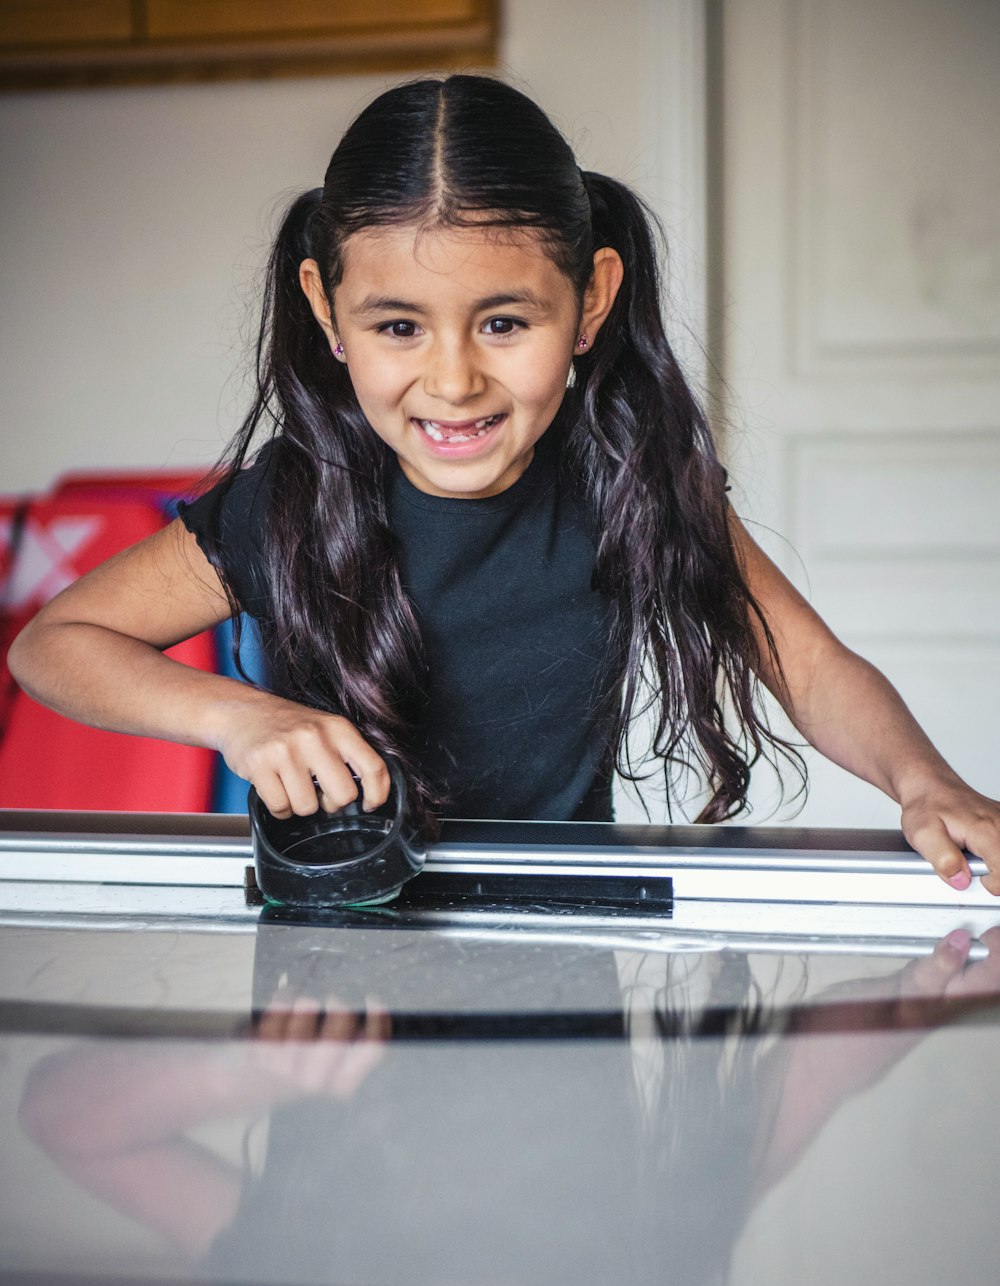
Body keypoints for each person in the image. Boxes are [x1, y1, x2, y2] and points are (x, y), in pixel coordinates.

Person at [7, 74, 1000, 891]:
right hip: (333, 974)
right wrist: (239, 717)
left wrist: (922, 780)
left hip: (567, 957)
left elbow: (813, 669)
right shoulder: (290, 501)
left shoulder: (634, 486)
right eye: (399, 327)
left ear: (591, 301)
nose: (452, 380)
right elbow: (55, 645)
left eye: (503, 322)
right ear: (327, 310)